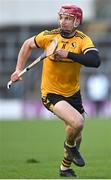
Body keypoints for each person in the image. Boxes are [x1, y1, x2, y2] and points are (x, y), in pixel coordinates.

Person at [10, 4, 101, 177]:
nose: (63, 21)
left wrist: (68, 55)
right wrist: (17, 69)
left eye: (68, 18)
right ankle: (69, 147)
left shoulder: (83, 39)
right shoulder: (49, 36)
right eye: (61, 17)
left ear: (76, 21)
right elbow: (27, 44)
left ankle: (64, 168)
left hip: (73, 93)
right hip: (51, 93)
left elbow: (95, 61)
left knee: (76, 133)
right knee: (78, 122)